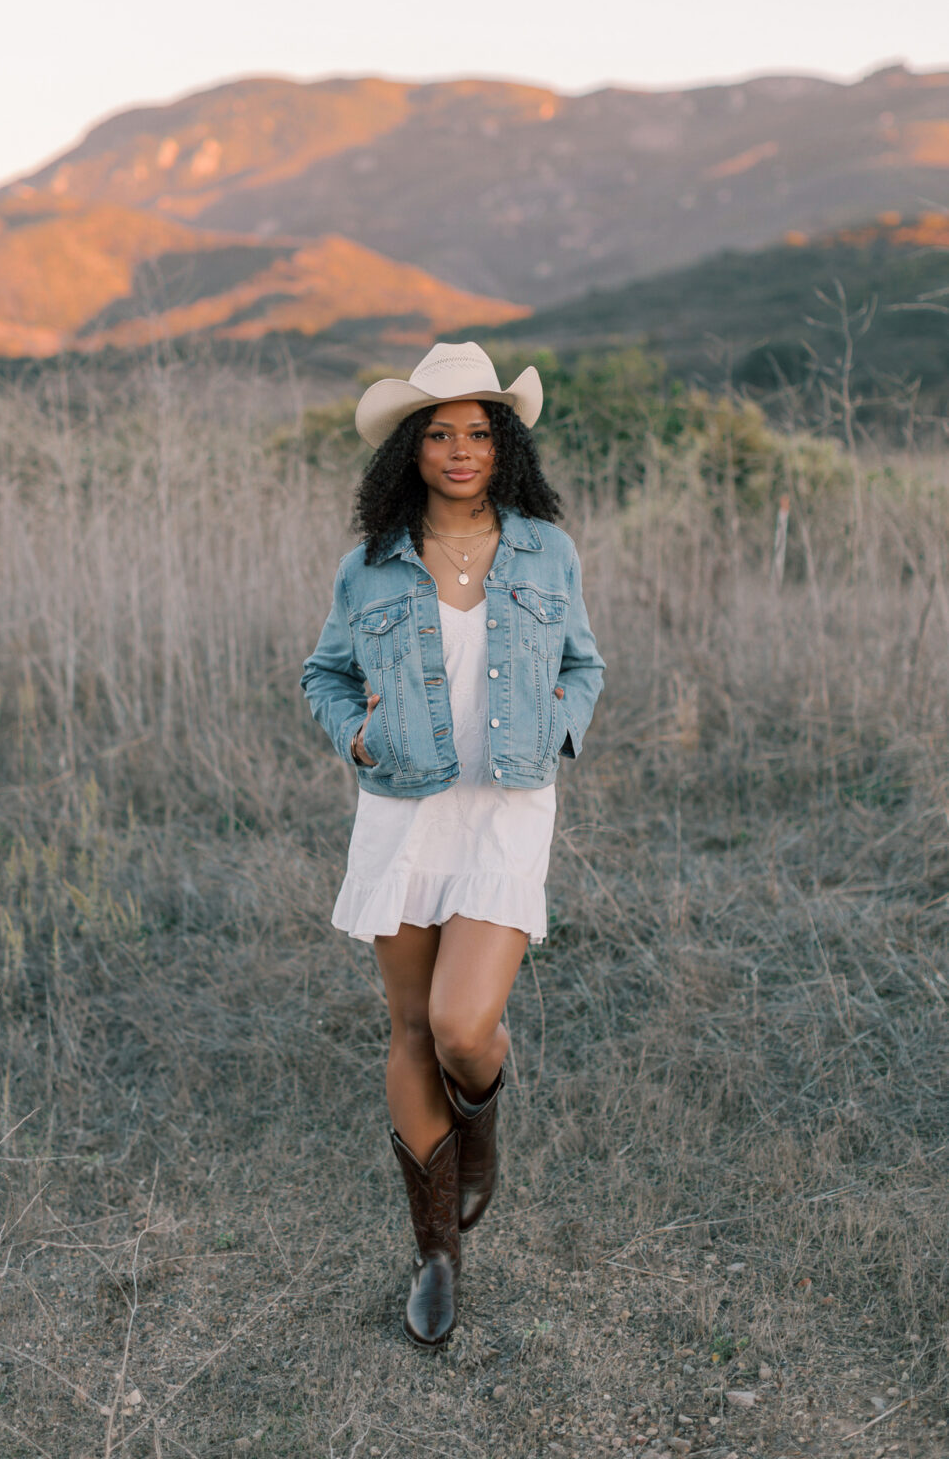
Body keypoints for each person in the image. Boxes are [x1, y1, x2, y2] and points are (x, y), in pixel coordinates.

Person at [300, 341, 606, 1347]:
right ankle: (435, 1253)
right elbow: (324, 673)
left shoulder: (544, 551)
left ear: (504, 444)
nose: (460, 449)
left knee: (462, 1027)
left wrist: (559, 723)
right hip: (404, 804)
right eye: (439, 433)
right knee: (408, 1028)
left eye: (479, 431)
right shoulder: (370, 564)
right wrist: (354, 732)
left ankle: (480, 1121)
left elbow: (584, 664)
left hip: (509, 804)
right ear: (410, 449)